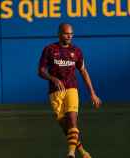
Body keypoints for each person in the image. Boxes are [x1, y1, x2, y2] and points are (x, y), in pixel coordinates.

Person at [38, 23, 102, 158]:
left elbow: (83, 72)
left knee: (72, 121)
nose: (69, 36)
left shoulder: (76, 51)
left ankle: (71, 153)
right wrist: (52, 78)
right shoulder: (49, 49)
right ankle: (83, 152)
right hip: (55, 92)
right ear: (59, 33)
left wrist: (92, 93)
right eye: (66, 33)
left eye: (71, 34)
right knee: (65, 127)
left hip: (72, 89)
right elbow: (41, 71)